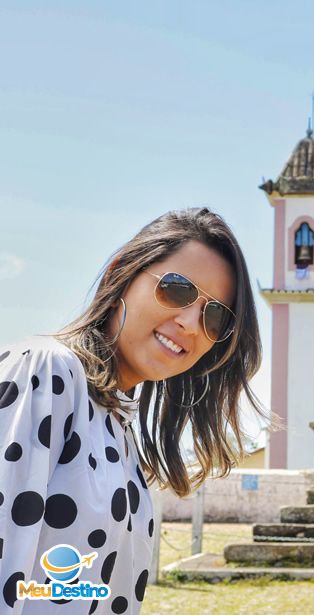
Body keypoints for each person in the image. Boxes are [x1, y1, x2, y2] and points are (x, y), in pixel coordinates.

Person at [0, 207, 264, 614]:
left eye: (215, 317)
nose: (191, 324)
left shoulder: (115, 427)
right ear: (120, 274)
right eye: (178, 290)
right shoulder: (45, 372)